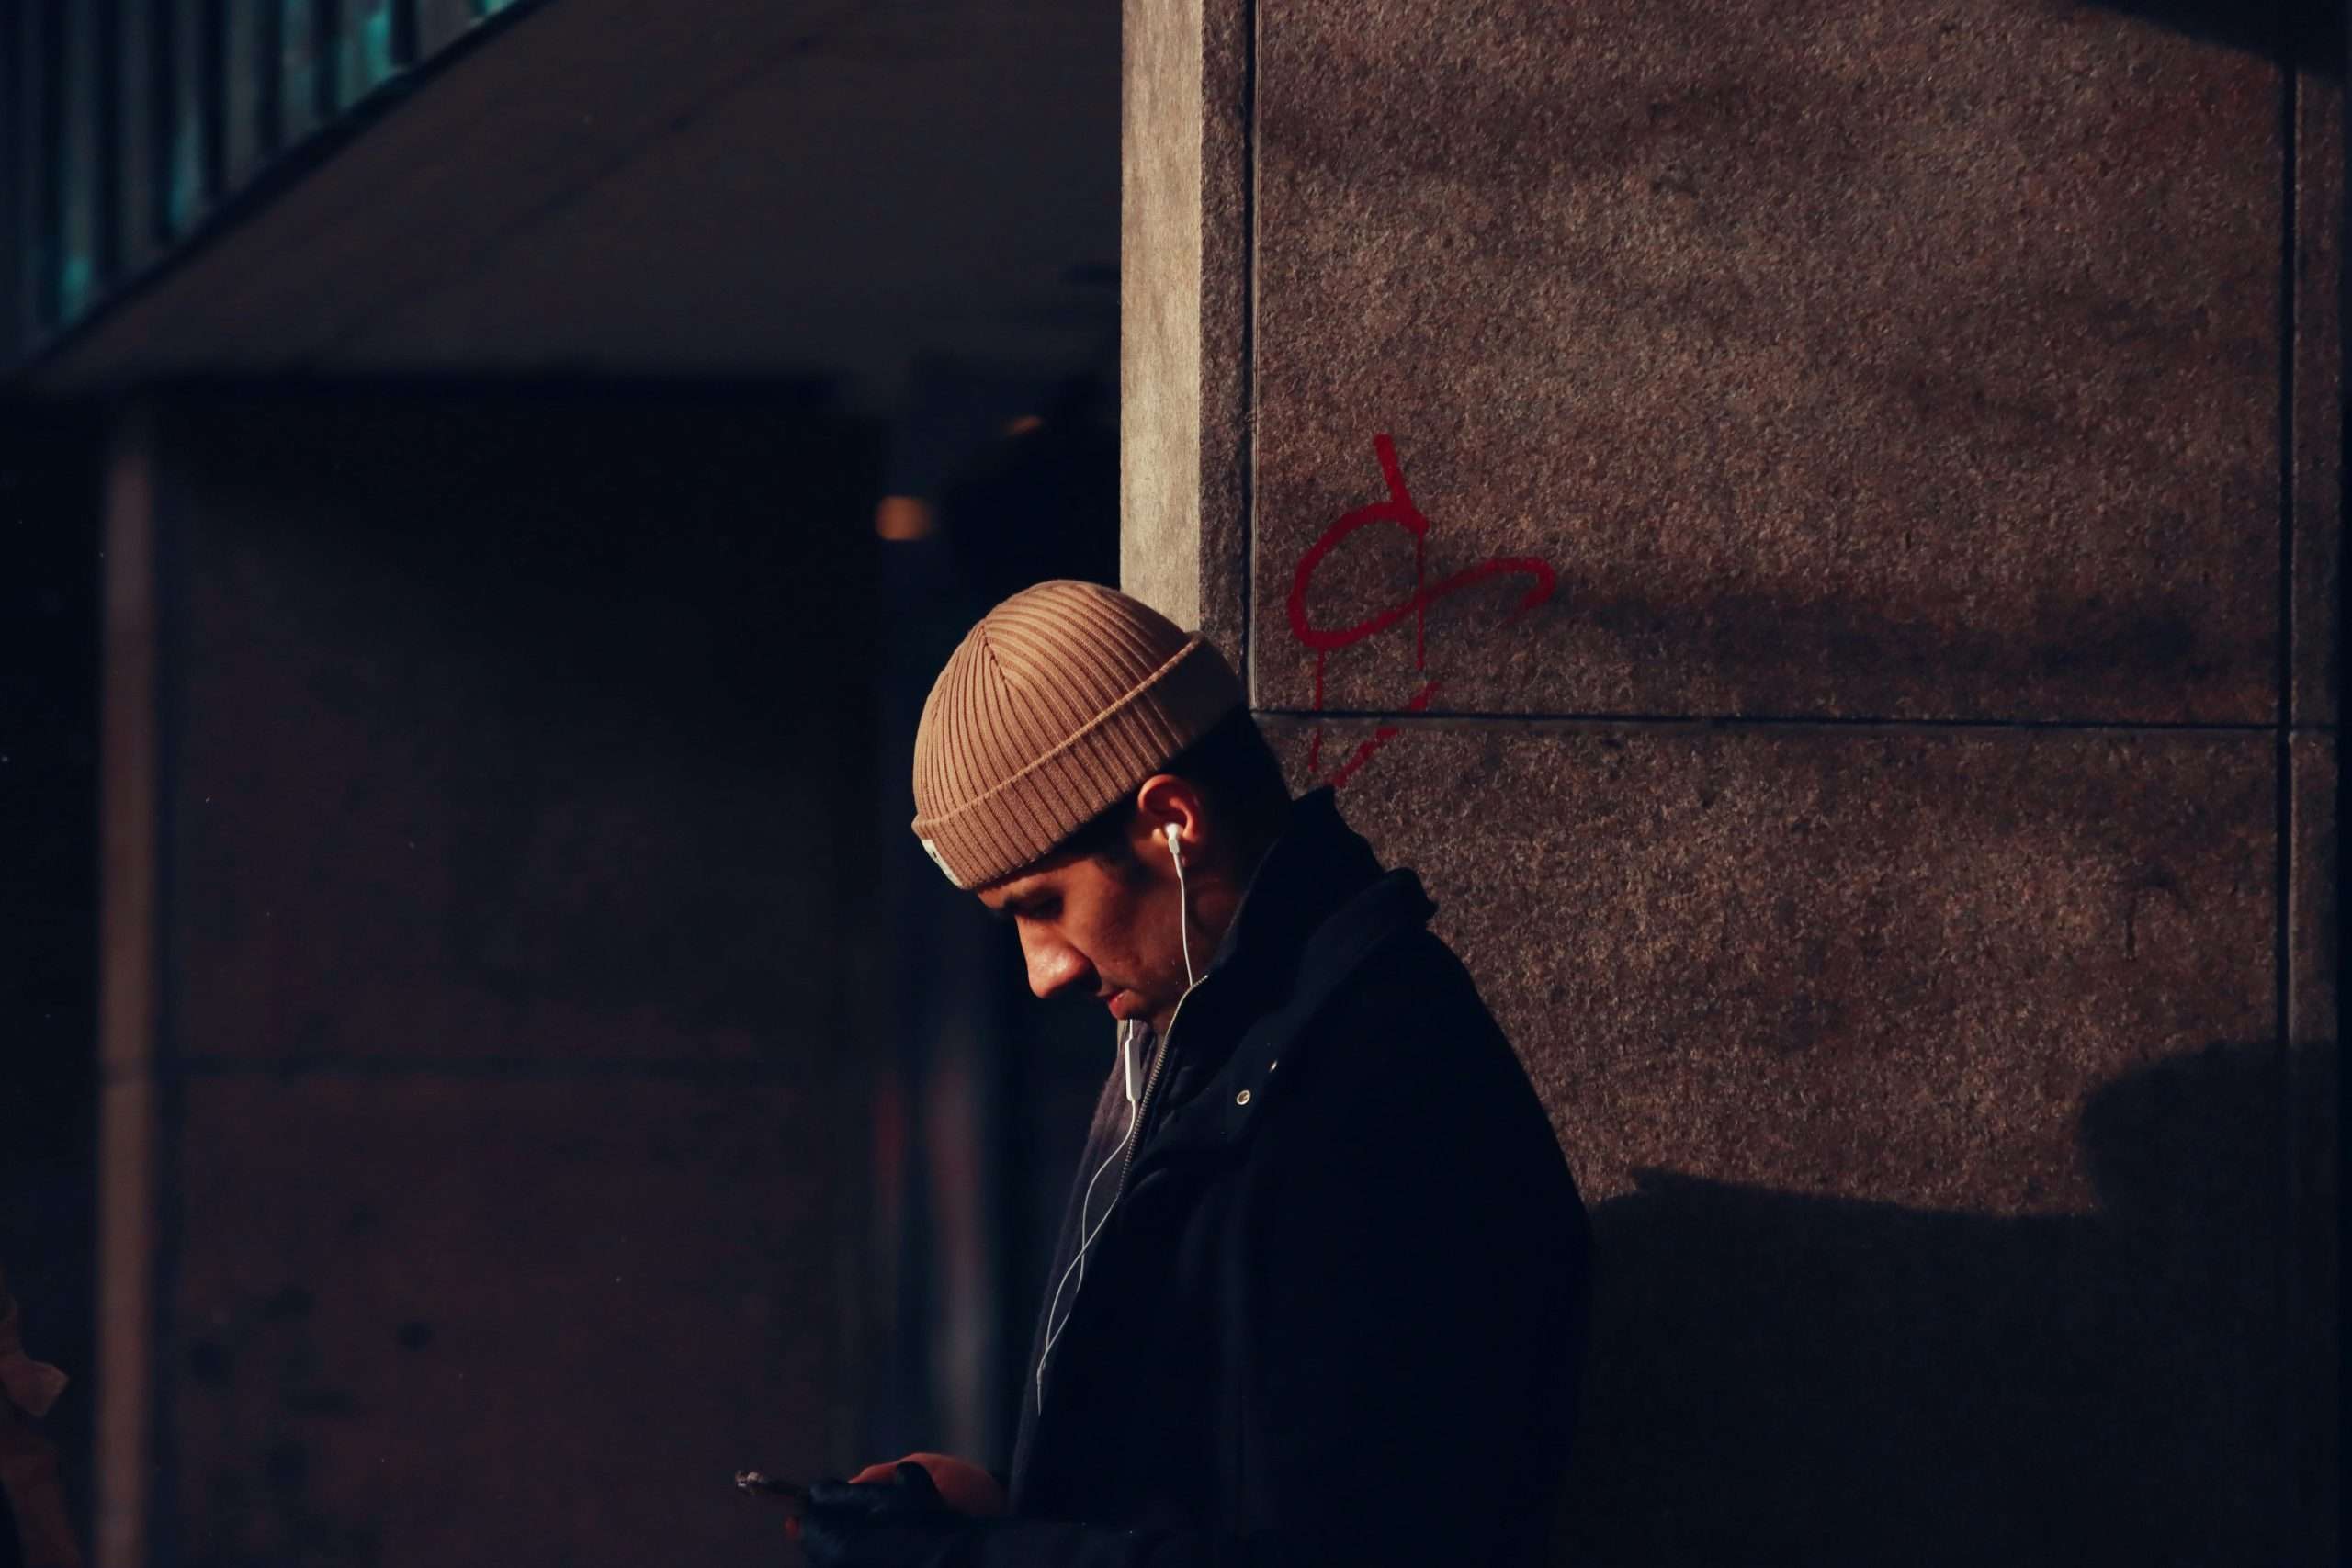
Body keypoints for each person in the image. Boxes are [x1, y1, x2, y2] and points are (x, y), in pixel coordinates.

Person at [796, 580, 1589, 1567]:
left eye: (1044, 904)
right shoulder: (1232, 1043)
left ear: (1173, 819)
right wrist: (991, 1514)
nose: (1045, 973)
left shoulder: (1369, 1074)